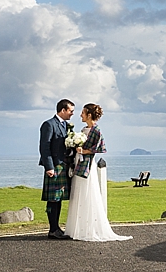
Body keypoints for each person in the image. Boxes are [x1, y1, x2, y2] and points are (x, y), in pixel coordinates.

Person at [64, 103, 131, 241]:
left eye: (83, 112)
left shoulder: (96, 130)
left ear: (89, 114)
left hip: (88, 165)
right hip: (79, 162)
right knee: (78, 194)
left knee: (88, 194)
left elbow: (100, 149)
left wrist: (84, 151)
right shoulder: (84, 129)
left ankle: (89, 229)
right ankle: (76, 228)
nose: (80, 115)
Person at [39, 99, 75, 240]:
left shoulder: (66, 125)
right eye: (71, 111)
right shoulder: (49, 124)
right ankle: (52, 229)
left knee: (58, 199)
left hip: (64, 165)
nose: (72, 114)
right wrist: (49, 167)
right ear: (63, 110)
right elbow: (44, 147)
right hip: (54, 166)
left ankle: (56, 228)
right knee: (53, 199)